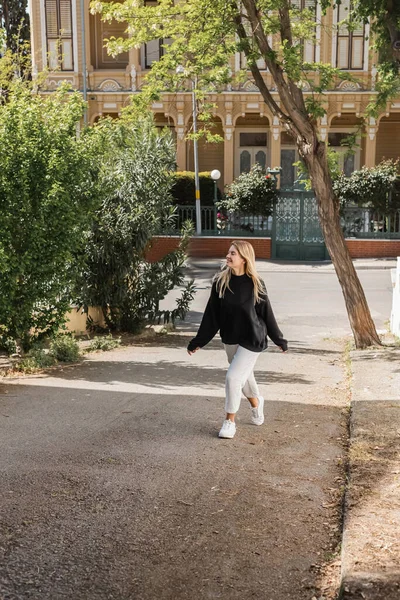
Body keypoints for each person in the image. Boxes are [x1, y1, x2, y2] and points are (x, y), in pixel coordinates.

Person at [187, 240, 287, 439]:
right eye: (228, 252)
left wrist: (278, 339)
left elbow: (266, 313)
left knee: (233, 377)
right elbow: (211, 315)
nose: (228, 256)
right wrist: (199, 340)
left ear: (244, 258)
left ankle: (229, 421)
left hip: (253, 338)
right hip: (231, 338)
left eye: (233, 253)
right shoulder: (220, 282)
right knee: (243, 376)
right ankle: (257, 403)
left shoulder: (256, 283)